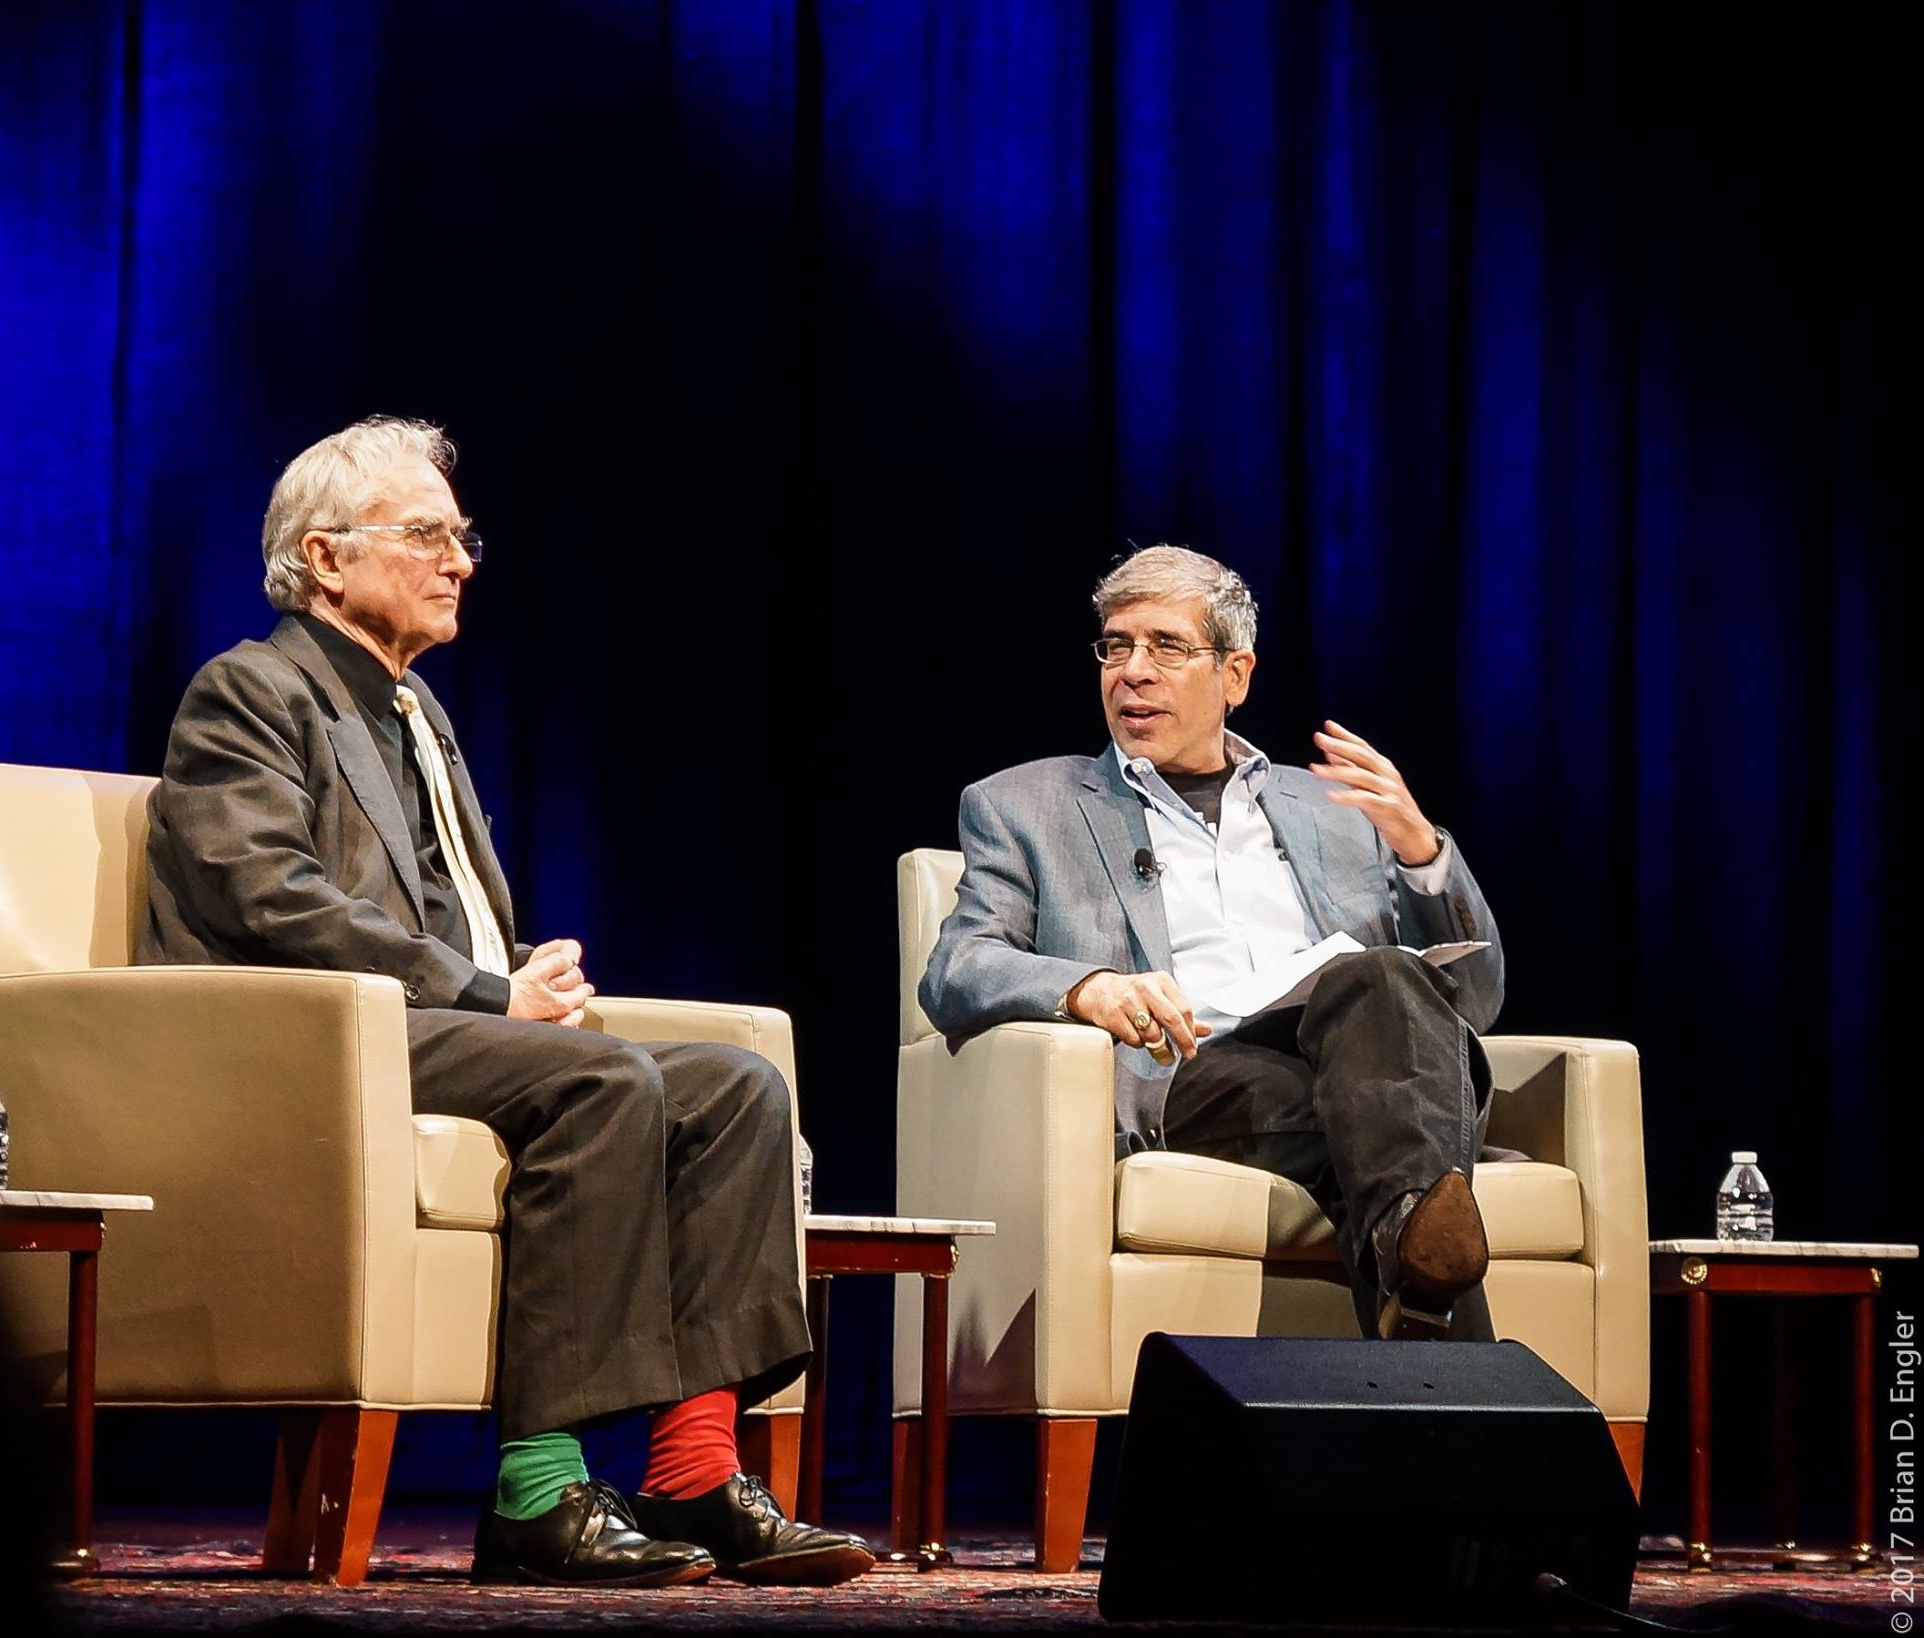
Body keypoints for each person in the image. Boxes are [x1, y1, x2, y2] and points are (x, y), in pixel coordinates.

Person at [139, 416, 871, 1589]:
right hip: (312, 1042)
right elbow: (269, 898)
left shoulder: (416, 715)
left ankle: (691, 1469)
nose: (461, 559)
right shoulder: (250, 691)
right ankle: (538, 1491)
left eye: (461, 535)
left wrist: (525, 970)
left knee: (736, 1089)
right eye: (428, 534)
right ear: (325, 558)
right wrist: (491, 991)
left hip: (437, 1023)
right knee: (599, 1078)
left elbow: (431, 904)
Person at [919, 544, 1508, 1340]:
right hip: (1193, 1070)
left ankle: (1414, 1255)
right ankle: (1433, 1266)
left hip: (1345, 1063)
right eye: (1116, 646)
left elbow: (1474, 1000)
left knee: (1376, 984)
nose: (1132, 670)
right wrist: (1089, 986)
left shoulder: (1333, 810)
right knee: (1401, 1112)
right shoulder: (1025, 806)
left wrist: (1419, 851)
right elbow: (958, 967)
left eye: (1166, 646)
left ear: (1236, 675)